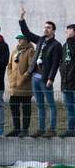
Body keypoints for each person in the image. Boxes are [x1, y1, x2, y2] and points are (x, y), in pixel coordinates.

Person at [19, 8, 62, 138]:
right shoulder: (41, 40)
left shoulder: (56, 45)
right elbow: (27, 33)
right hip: (35, 77)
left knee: (50, 104)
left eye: (48, 28)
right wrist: (21, 19)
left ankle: (51, 129)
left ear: (53, 30)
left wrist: (51, 78)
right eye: (45, 27)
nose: (45, 29)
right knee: (39, 104)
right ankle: (41, 129)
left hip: (45, 78)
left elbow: (55, 63)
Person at [6, 35, 35, 137]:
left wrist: (23, 78)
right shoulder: (15, 51)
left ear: (27, 40)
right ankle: (16, 128)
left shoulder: (30, 51)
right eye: (18, 38)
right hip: (14, 86)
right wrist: (10, 78)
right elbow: (9, 66)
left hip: (25, 86)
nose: (19, 40)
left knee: (26, 108)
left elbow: (31, 67)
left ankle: (25, 129)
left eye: (21, 38)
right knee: (14, 107)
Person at [59, 24, 75, 137]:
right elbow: (63, 62)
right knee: (69, 108)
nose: (66, 32)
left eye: (68, 30)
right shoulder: (65, 45)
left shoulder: (71, 45)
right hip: (65, 83)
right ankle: (70, 130)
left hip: (74, 82)